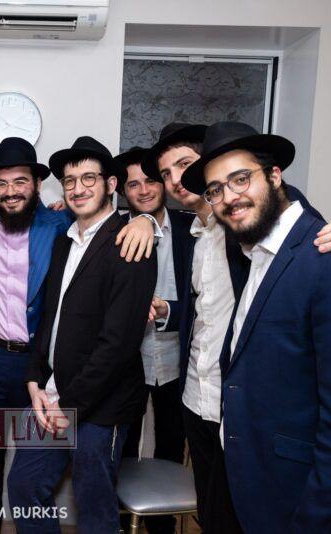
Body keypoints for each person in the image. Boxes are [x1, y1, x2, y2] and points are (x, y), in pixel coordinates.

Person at [140, 122, 331, 532]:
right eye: (216, 188)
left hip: (291, 475)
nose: (230, 196)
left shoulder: (323, 253)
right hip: (226, 432)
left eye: (241, 178)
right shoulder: (244, 246)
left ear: (275, 175)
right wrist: (142, 219)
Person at [0, 137, 156, 533]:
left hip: (101, 403)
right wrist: (35, 379)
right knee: (25, 485)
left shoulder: (129, 241)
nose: (78, 188)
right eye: (70, 181)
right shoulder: (65, 241)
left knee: (93, 501)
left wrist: (144, 219)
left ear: (111, 184)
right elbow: (50, 317)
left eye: (88, 178)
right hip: (49, 390)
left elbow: (117, 345)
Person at [114, 145, 189, 534]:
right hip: (128, 360)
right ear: (122, 191)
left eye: (150, 181)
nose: (142, 190)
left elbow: (205, 299)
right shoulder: (114, 229)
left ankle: (162, 527)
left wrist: (167, 310)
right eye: (133, 184)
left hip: (178, 358)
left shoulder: (193, 228)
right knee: (122, 447)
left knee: (172, 445)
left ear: (164, 183)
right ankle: (121, 521)